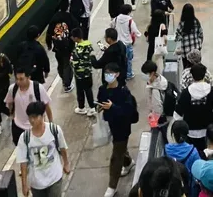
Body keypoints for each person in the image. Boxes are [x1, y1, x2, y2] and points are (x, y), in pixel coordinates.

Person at [98, 62, 139, 197]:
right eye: (106, 73)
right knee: (120, 149)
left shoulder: (124, 92)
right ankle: (128, 162)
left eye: (110, 73)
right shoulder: (102, 89)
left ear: (117, 75)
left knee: (116, 157)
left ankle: (112, 186)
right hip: (110, 124)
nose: (108, 76)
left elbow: (128, 111)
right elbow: (100, 102)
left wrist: (113, 107)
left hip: (122, 127)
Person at [17, 101, 69, 197]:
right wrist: (24, 185)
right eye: (30, 117)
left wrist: (66, 163)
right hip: (36, 183)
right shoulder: (24, 138)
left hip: (54, 178)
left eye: (35, 117)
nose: (32, 120)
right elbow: (23, 163)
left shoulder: (55, 130)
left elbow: (62, 148)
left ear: (42, 116)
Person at [174, 64, 213, 152]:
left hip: (190, 133)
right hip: (208, 133)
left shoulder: (186, 93)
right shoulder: (212, 90)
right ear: (205, 75)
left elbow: (177, 115)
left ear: (192, 76)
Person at [5, 67, 53, 147]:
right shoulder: (12, 89)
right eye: (17, 79)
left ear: (28, 77)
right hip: (18, 127)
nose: (18, 82)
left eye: (21, 79)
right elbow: (9, 102)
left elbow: (47, 106)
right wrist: (12, 116)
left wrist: (51, 123)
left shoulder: (38, 88)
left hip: (36, 126)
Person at [44, 8, 76, 93]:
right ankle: (67, 85)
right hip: (68, 46)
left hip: (57, 47)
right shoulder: (69, 16)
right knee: (67, 65)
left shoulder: (54, 18)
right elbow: (75, 28)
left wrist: (49, 44)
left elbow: (49, 32)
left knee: (60, 64)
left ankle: (63, 79)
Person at [140, 60, 169, 144]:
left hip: (161, 120)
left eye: (145, 73)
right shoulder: (159, 79)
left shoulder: (156, 89)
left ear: (152, 73)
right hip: (164, 117)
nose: (144, 75)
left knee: (161, 138)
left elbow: (158, 108)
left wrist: (153, 120)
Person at [112, 3, 142, 81]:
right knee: (128, 60)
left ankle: (120, 74)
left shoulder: (116, 19)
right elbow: (135, 31)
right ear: (129, 12)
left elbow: (111, 26)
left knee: (119, 60)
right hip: (127, 43)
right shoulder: (130, 21)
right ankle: (128, 74)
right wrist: (139, 35)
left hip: (118, 43)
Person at [71, 27, 96, 116]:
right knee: (88, 90)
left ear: (76, 38)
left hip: (79, 74)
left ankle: (81, 107)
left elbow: (74, 63)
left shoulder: (77, 49)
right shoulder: (88, 45)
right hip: (88, 72)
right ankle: (92, 107)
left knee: (80, 91)